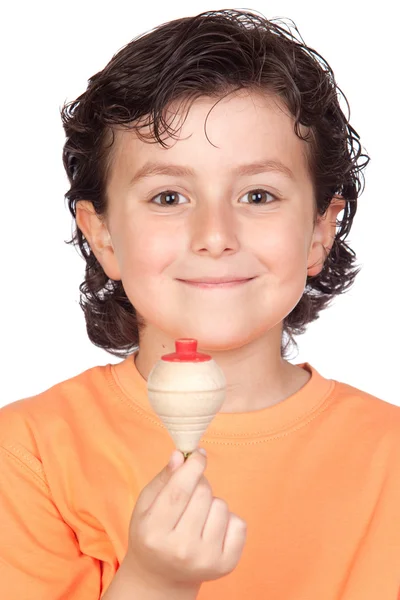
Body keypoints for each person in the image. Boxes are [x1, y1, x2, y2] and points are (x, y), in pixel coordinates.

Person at [0, 7, 399, 600]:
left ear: (320, 230)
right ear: (102, 234)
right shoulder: (28, 453)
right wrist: (153, 582)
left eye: (258, 194)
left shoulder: (388, 457)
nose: (215, 234)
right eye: (168, 196)